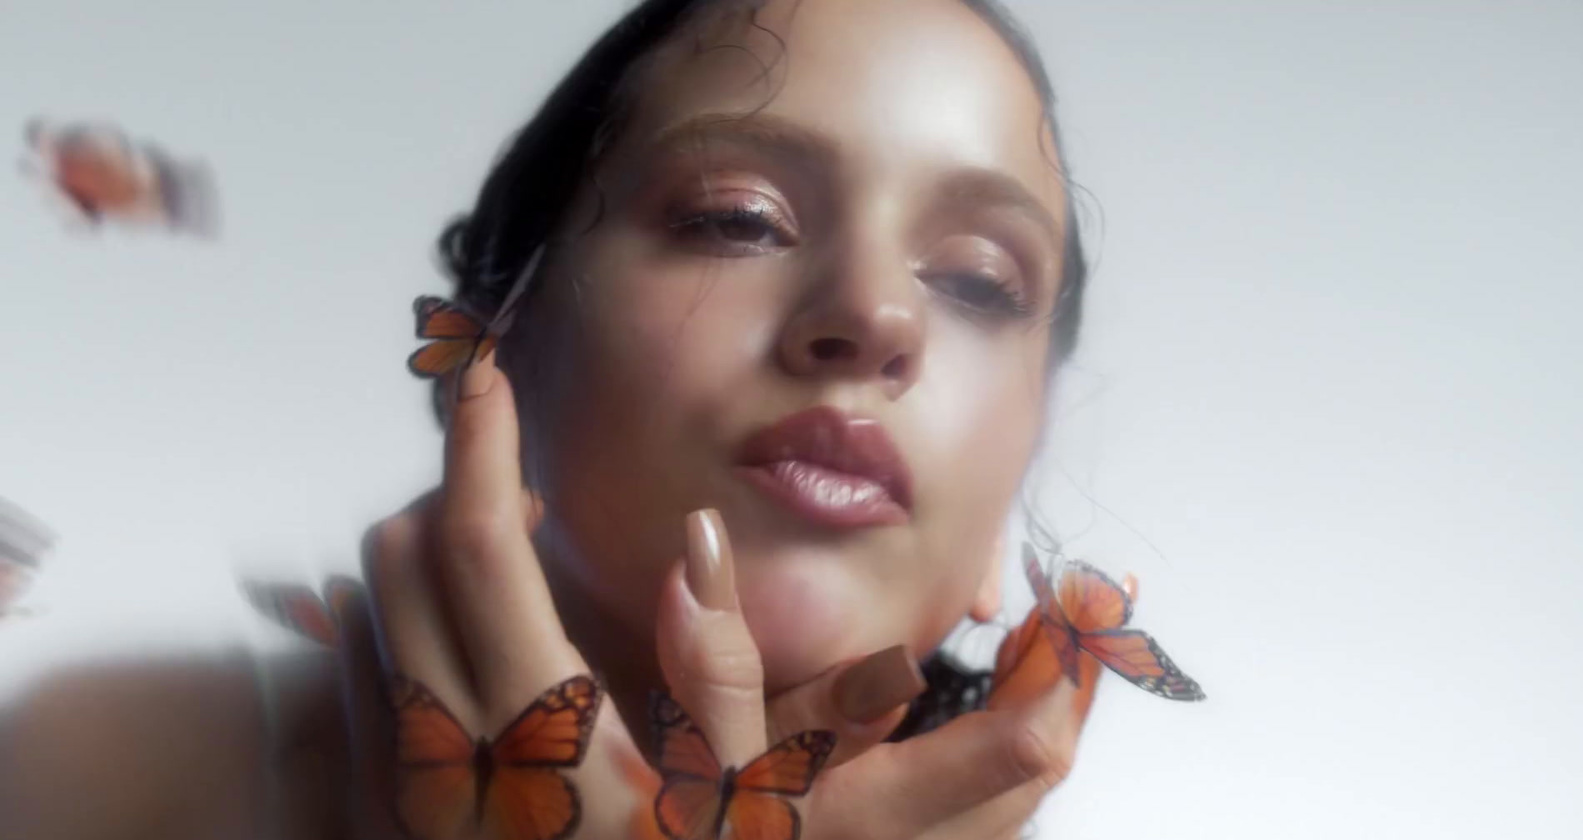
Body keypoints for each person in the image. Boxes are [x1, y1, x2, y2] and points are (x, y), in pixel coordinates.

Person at [0, 0, 1104, 837]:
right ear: (492, 342)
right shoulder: (88, 769)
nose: (873, 313)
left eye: (978, 283)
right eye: (738, 219)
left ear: (1019, 470)